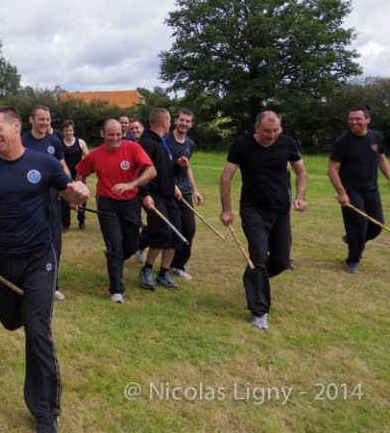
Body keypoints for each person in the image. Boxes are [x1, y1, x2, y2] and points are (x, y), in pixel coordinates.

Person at [0, 106, 89, 433]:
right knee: (10, 321)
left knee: (38, 332)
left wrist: (77, 192)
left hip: (38, 257)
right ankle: (29, 311)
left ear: (16, 125)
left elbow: (67, 190)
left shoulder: (44, 163)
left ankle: (46, 412)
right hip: (1, 259)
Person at [220, 110, 307, 330]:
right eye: (267, 131)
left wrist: (299, 197)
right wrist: (226, 210)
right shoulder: (241, 145)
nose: (272, 135)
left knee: (281, 261)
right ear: (256, 128)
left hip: (280, 211)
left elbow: (301, 172)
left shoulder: (286, 143)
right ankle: (259, 312)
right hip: (252, 210)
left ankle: (253, 279)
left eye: (276, 130)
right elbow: (226, 177)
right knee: (258, 256)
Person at [75, 119, 156, 303]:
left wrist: (131, 184)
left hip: (130, 203)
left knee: (132, 243)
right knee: (115, 246)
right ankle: (116, 289)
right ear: (102, 134)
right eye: (111, 134)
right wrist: (79, 195)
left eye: (119, 134)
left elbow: (151, 171)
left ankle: (116, 254)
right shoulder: (95, 155)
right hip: (107, 204)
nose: (115, 138)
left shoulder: (133, 148)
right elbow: (80, 173)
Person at [327, 107, 390, 274]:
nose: (354, 122)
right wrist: (341, 192)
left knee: (377, 226)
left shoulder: (376, 137)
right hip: (351, 190)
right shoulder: (343, 142)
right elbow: (332, 169)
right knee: (359, 226)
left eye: (358, 119)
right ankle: (353, 260)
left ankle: (353, 240)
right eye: (351, 119)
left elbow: (382, 159)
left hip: (371, 189)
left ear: (368, 120)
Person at [22, 105, 70, 301]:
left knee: (54, 241)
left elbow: (62, 166)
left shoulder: (54, 141)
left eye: (48, 119)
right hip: (27, 198)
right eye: (41, 119)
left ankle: (53, 284)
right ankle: (26, 280)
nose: (45, 123)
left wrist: (69, 185)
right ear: (31, 120)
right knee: (28, 240)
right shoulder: (22, 141)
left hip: (51, 197)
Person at [137, 108, 183, 291]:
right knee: (162, 232)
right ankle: (146, 270)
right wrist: (145, 194)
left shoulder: (162, 143)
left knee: (176, 234)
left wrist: (177, 169)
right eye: (170, 121)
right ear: (164, 123)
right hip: (153, 195)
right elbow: (139, 171)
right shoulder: (147, 143)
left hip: (168, 195)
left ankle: (164, 273)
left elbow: (167, 170)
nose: (170, 124)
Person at [166, 109, 203, 280]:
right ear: (176, 121)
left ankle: (177, 265)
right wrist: (173, 185)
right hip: (168, 189)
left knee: (189, 228)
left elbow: (187, 166)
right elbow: (161, 167)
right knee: (171, 229)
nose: (184, 123)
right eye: (182, 120)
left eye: (188, 121)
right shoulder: (165, 140)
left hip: (185, 190)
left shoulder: (190, 144)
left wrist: (195, 189)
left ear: (191, 124)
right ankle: (141, 245)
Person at [60, 120, 89, 231]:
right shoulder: (59, 142)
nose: (68, 133)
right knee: (64, 199)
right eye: (66, 130)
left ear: (73, 130)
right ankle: (65, 225)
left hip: (79, 175)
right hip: (64, 175)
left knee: (81, 197)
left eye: (70, 130)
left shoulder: (80, 142)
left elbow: (88, 157)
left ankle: (81, 221)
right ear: (63, 131)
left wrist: (82, 170)